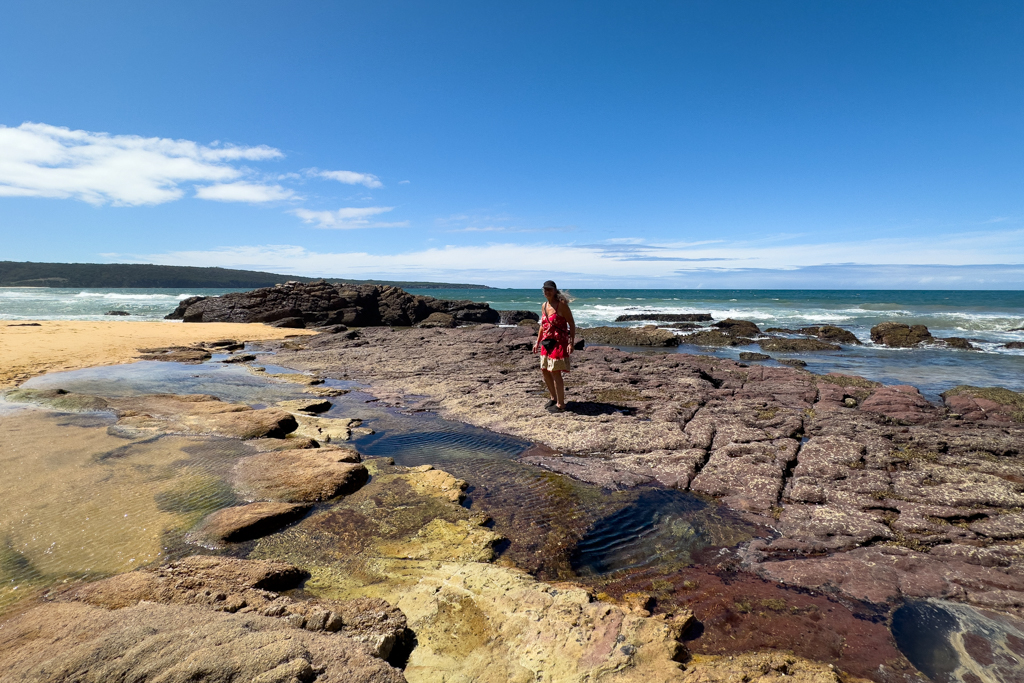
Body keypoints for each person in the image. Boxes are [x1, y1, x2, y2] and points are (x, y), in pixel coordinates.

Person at [533, 280, 575, 411]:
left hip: (559, 343)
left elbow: (572, 324)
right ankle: (553, 398)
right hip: (546, 343)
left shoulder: (561, 305)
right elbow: (542, 326)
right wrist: (537, 342)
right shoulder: (544, 305)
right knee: (545, 371)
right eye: (545, 289)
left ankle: (561, 404)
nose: (547, 291)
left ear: (555, 291)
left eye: (549, 289)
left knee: (555, 372)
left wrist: (571, 343)